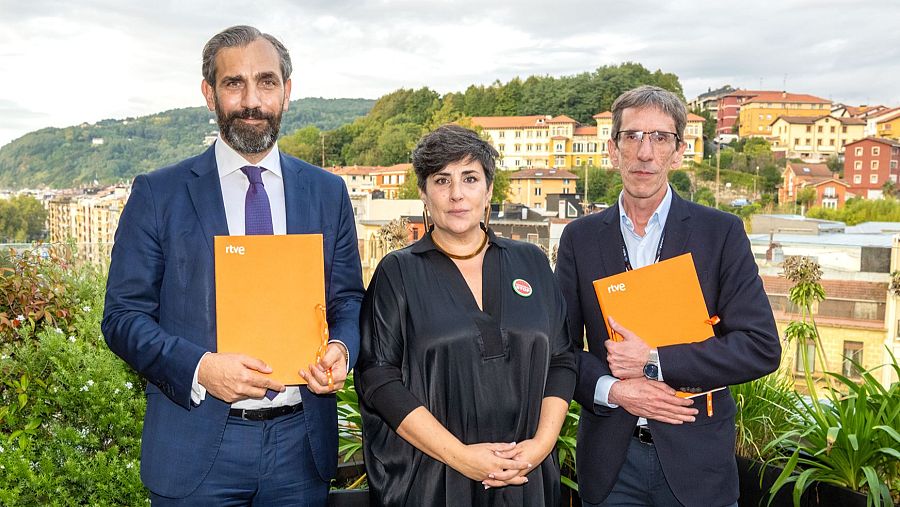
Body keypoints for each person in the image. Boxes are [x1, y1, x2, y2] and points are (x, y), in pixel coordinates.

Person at [102, 25, 364, 505]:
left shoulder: (328, 193)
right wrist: (201, 368)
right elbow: (122, 319)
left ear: (286, 91)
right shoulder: (158, 195)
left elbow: (347, 298)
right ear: (209, 93)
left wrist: (342, 349)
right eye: (233, 83)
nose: (251, 100)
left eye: (266, 82)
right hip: (196, 446)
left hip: (300, 449)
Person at [555, 85, 780, 507]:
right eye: (633, 136)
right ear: (613, 148)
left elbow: (761, 347)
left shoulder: (721, 233)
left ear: (679, 152)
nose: (645, 152)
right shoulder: (579, 238)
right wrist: (613, 389)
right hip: (611, 465)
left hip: (698, 468)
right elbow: (559, 351)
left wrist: (654, 361)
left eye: (660, 137)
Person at [355, 124, 576, 506]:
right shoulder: (398, 272)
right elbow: (378, 378)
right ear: (424, 193)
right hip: (433, 481)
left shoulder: (532, 262)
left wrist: (540, 446)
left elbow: (562, 359)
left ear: (488, 190)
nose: (457, 194)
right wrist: (461, 457)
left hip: (526, 479)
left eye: (470, 178)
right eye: (442, 180)